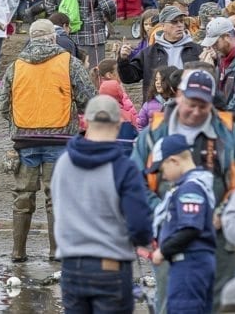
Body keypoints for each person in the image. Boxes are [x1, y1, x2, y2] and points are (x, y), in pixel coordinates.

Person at [133, 69, 235, 313]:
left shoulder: (230, 133)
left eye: (203, 105)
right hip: (171, 239)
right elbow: (134, 182)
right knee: (171, 303)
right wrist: (161, 210)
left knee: (220, 304)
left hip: (219, 238)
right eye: (191, 103)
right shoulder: (154, 133)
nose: (196, 111)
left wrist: (225, 212)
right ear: (179, 95)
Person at [0, 18, 95, 262]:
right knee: (56, 197)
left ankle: (18, 252)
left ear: (30, 38)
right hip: (60, 138)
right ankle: (56, 251)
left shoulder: (15, 66)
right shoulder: (69, 63)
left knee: (22, 197)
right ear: (53, 37)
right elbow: (88, 98)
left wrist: (16, 122)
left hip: (24, 139)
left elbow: (1, 104)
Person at [52, 95, 153, 313]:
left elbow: (58, 209)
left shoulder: (62, 163)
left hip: (71, 267)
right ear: (118, 125)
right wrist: (141, 240)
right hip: (111, 267)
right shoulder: (124, 168)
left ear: (86, 122)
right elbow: (140, 226)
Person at [147, 134, 217, 314]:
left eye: (162, 169)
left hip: (190, 263)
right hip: (193, 263)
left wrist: (162, 251)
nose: (163, 176)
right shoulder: (191, 185)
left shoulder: (190, 188)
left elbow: (190, 227)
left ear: (174, 161)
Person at [45, 0, 117, 67]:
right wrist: (109, 18)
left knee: (69, 73)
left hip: (66, 38)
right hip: (93, 37)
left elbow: (49, 6)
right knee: (94, 73)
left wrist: (61, 24)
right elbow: (108, 5)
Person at [119, 6, 202, 100]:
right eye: (174, 22)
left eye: (181, 21)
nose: (179, 25)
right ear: (162, 26)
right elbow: (129, 78)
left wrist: (215, 59)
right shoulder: (149, 53)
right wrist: (123, 60)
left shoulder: (197, 50)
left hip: (189, 104)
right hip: (157, 107)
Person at [201, 17, 235, 122]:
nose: (213, 46)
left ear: (227, 37)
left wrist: (217, 120)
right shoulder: (223, 58)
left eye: (215, 42)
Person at [137, 65, 177, 130]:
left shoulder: (179, 103)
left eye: (161, 80)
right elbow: (140, 126)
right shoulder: (148, 104)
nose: (157, 83)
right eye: (156, 80)